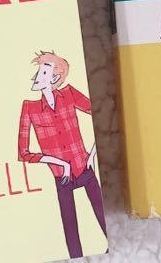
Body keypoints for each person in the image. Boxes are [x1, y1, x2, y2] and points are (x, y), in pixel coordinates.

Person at [17, 51, 106, 258]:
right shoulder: (30, 108)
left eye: (44, 72)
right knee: (70, 229)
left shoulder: (69, 94)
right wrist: (60, 163)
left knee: (103, 217)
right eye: (39, 71)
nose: (37, 76)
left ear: (55, 77)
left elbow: (100, 115)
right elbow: (23, 152)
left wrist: (93, 154)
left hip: (84, 168)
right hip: (61, 177)